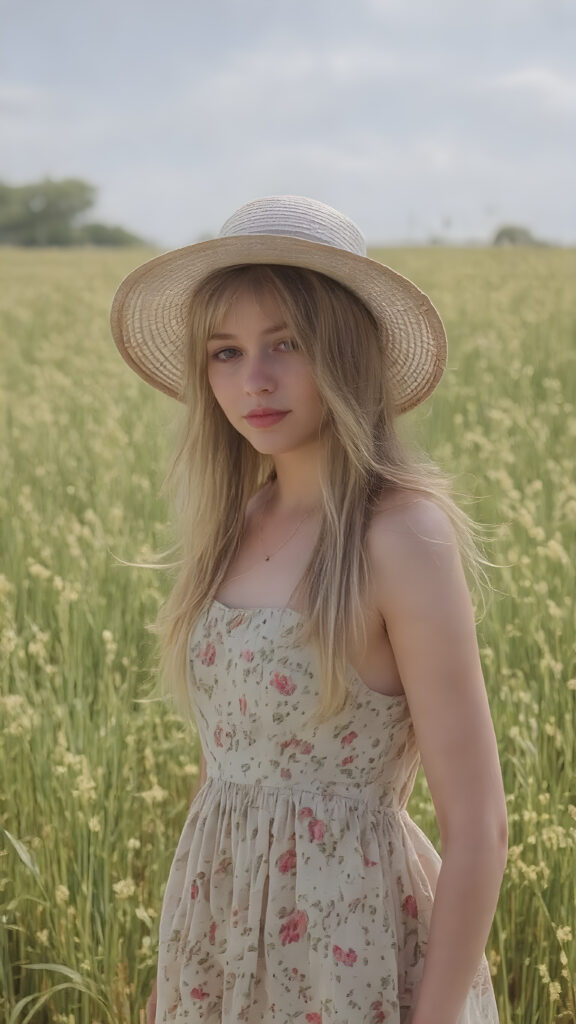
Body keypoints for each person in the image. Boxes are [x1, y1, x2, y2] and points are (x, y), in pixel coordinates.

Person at [110, 195, 507, 1024]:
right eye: (226, 352)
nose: (253, 380)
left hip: (348, 958)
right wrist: (171, 985)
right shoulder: (236, 522)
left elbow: (479, 828)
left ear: (346, 350)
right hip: (218, 954)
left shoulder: (399, 536)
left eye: (286, 343)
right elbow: (228, 772)